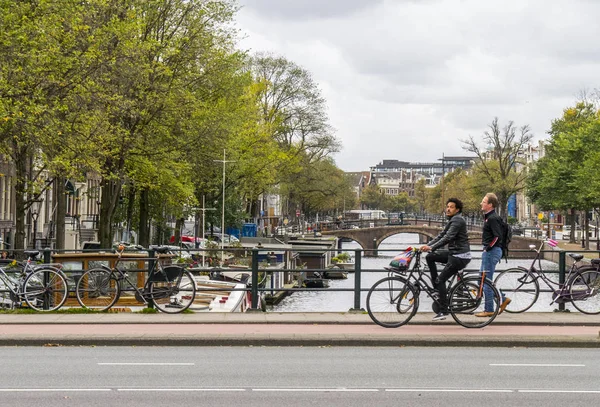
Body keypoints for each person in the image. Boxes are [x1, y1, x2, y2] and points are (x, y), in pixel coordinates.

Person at [420, 198, 472, 321]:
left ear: (457, 209)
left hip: (460, 256)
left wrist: (431, 247)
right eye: (447, 206)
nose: (448, 209)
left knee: (441, 280)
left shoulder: (457, 220)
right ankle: (437, 290)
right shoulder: (453, 220)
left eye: (451, 207)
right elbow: (442, 235)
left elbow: (448, 237)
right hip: (454, 253)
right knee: (430, 257)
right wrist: (429, 247)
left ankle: (443, 311)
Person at [476, 192, 511, 317]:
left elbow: (497, 236)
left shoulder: (492, 218)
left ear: (490, 205)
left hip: (491, 252)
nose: (481, 203)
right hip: (491, 252)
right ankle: (502, 298)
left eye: (484, 202)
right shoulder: (489, 217)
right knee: (481, 279)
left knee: (486, 281)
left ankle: (489, 309)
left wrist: (488, 247)